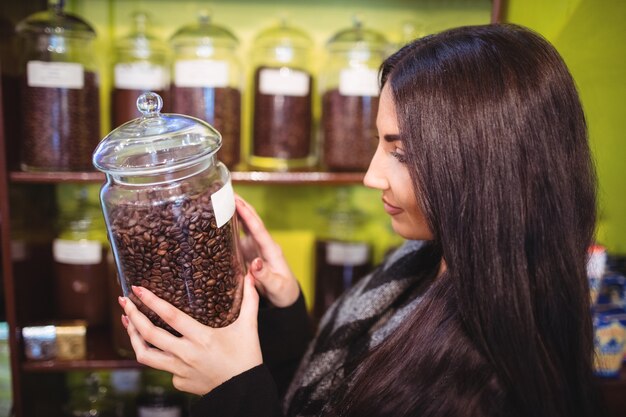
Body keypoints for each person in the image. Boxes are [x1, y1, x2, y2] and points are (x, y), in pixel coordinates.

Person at [118, 23, 604, 417]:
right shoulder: (424, 261)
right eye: (380, 144)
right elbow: (327, 396)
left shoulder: (494, 382)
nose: (372, 176)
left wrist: (232, 391)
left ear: (485, 166)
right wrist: (284, 311)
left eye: (403, 153)